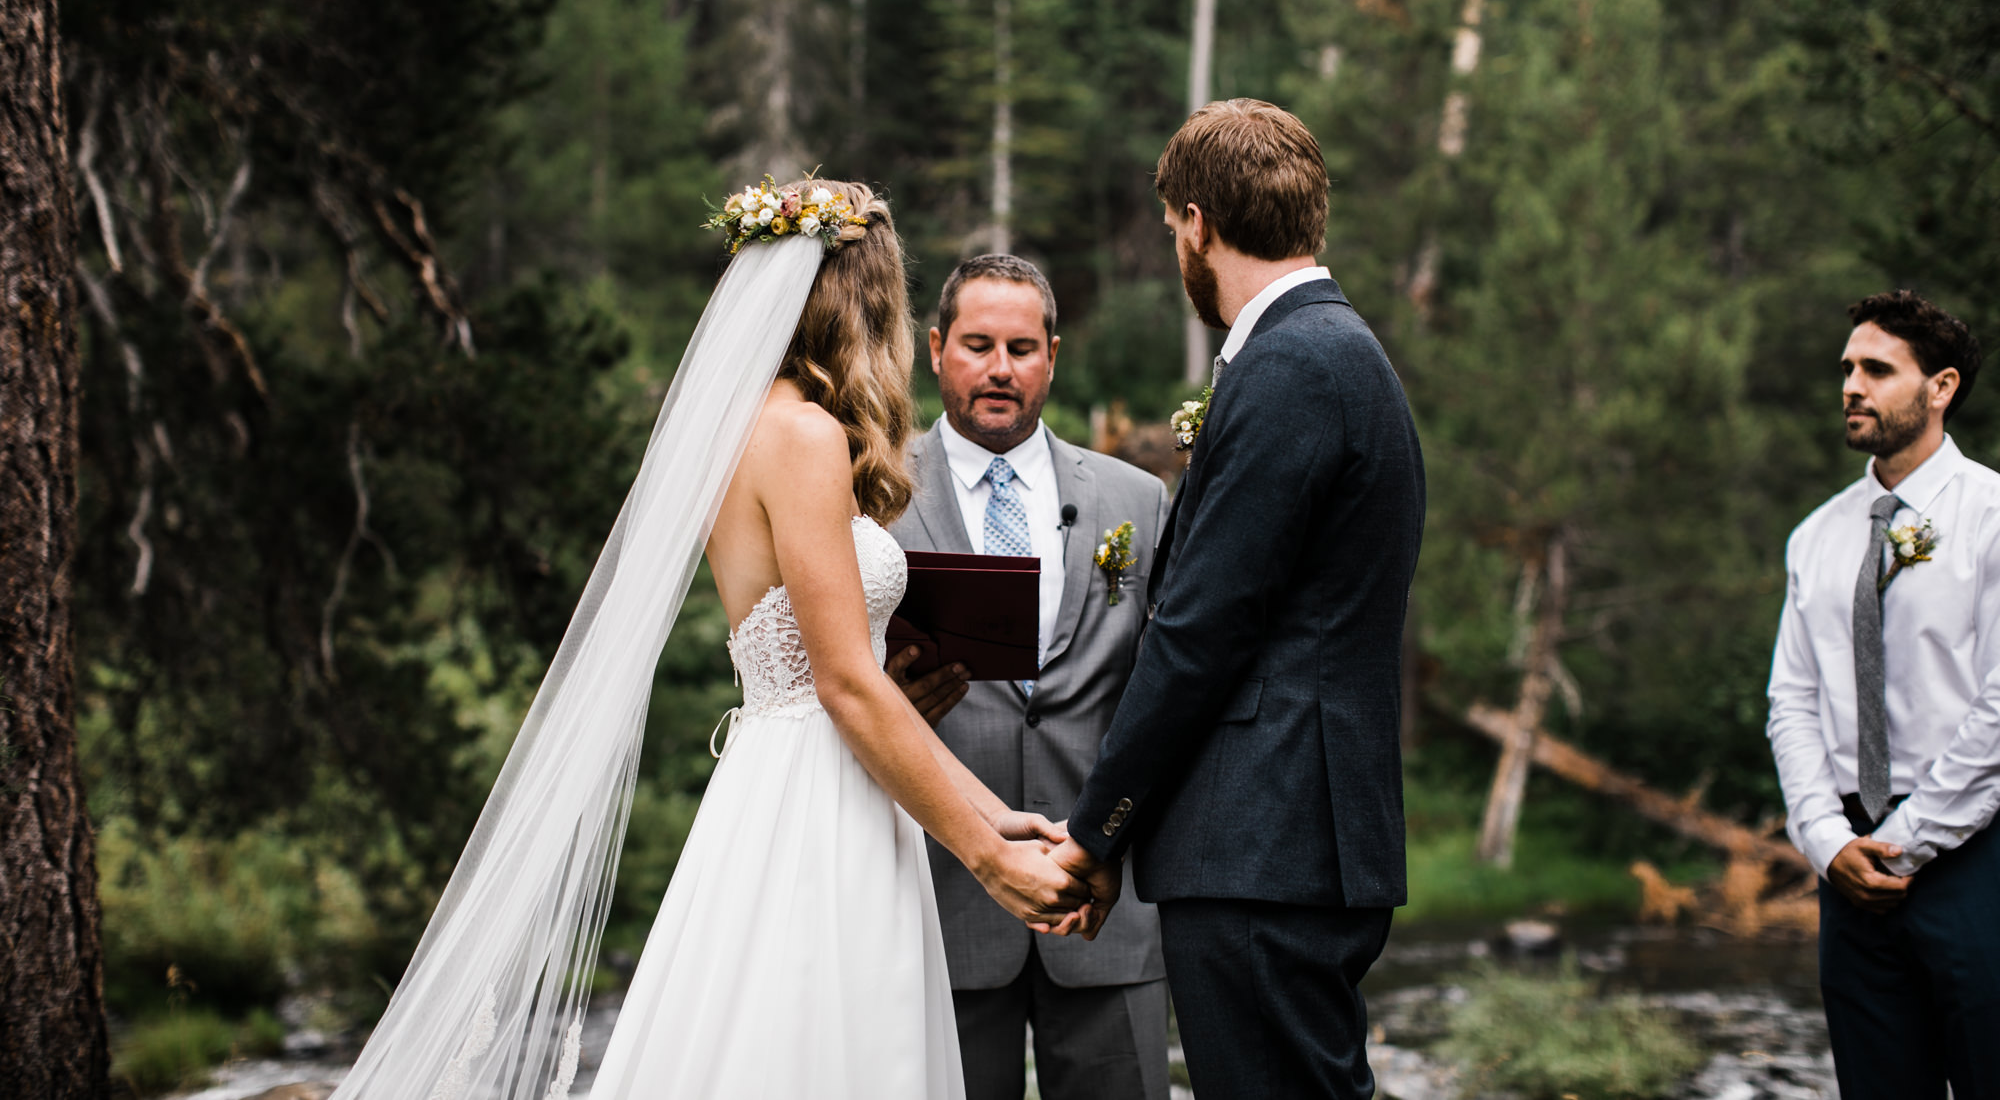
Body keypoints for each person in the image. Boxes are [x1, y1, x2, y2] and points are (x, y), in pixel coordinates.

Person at [331, 181, 1092, 1100]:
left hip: (776, 781)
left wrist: (992, 811)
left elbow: (841, 680)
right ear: (863, 301)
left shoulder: (736, 429)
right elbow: (849, 685)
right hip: (824, 798)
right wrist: (988, 858)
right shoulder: (805, 436)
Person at [1047, 100, 1426, 1100]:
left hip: (1261, 841)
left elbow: (1199, 630)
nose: (1178, 245)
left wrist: (1096, 829)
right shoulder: (1334, 352)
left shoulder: (1291, 366)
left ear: (1198, 224)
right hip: (1293, 836)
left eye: (1175, 226)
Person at [885, 254, 1174, 1100]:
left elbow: (1165, 686)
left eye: (1021, 347)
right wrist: (893, 703)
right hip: (939, 906)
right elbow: (832, 680)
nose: (1000, 369)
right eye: (978, 345)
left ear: (1053, 353)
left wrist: (1114, 836)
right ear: (936, 349)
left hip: (1104, 906)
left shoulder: (1135, 500)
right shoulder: (875, 490)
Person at [1766, 289, 1997, 1099]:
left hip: (1975, 854)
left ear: (1941, 387)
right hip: (1850, 871)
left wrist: (1909, 836)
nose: (1851, 386)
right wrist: (1829, 841)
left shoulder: (1991, 517)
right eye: (1846, 368)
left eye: (1876, 369)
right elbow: (1792, 702)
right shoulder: (1819, 534)